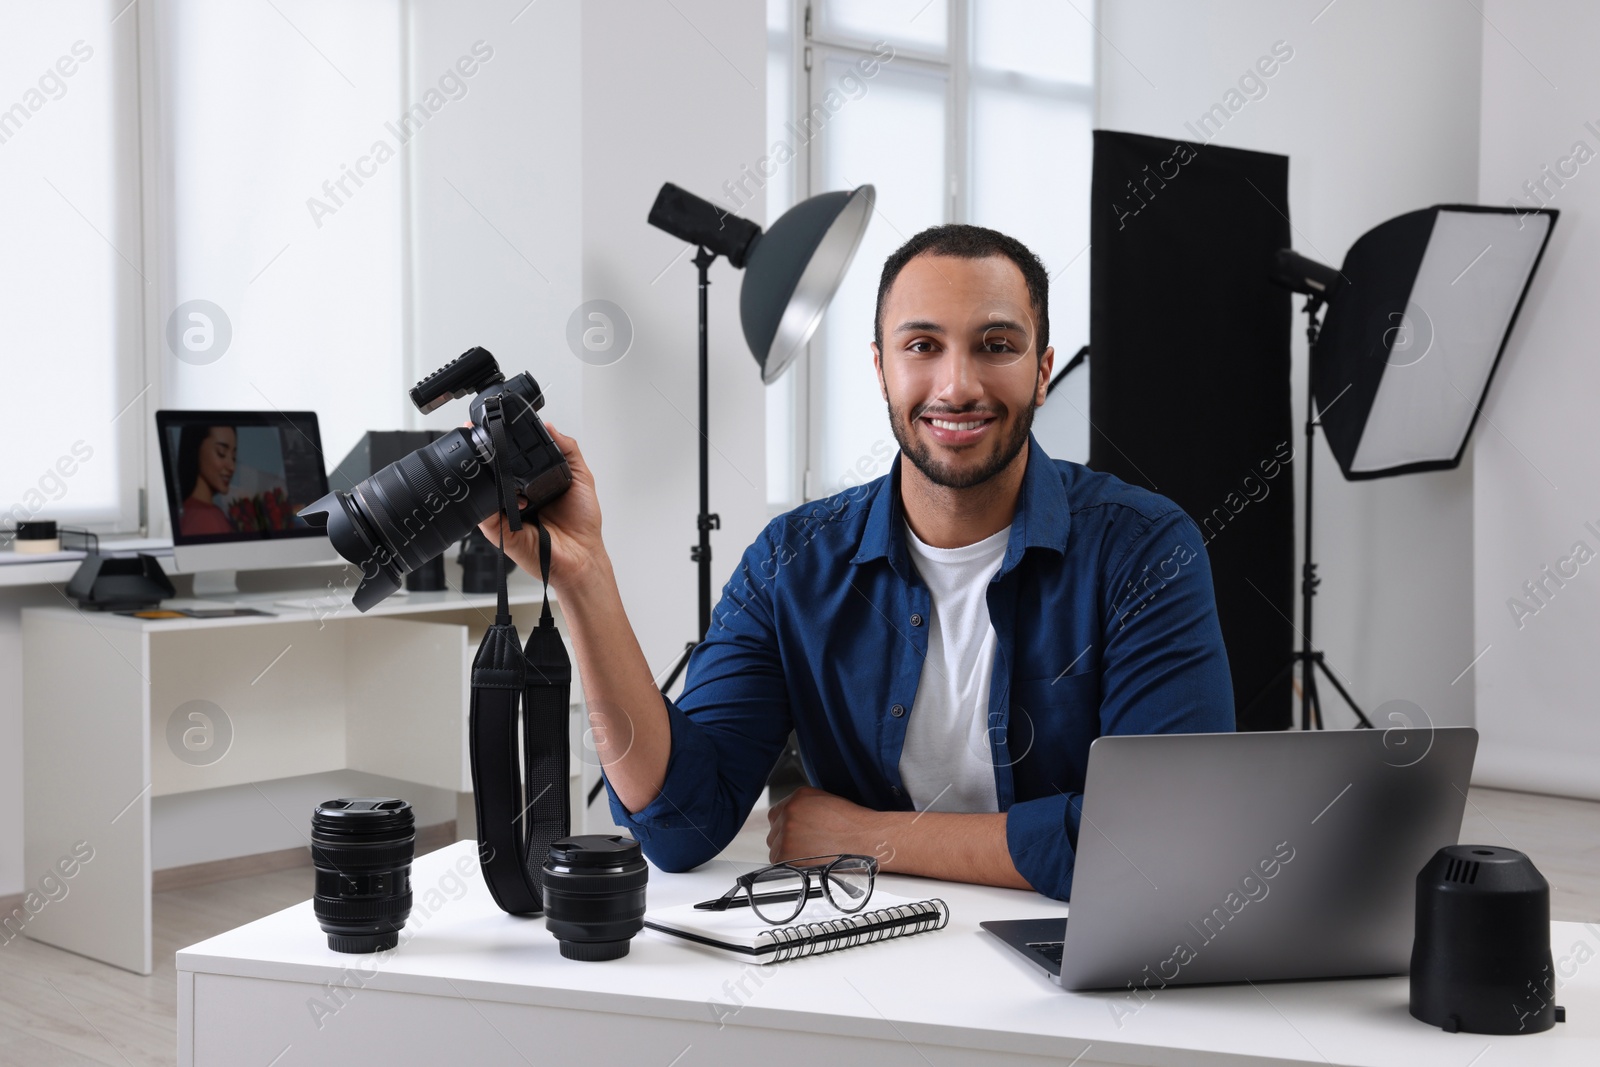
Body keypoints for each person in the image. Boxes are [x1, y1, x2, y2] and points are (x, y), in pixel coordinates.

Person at [482, 225, 1234, 901]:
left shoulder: (1145, 549)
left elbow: (1167, 839)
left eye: (996, 346)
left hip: (1071, 962)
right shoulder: (792, 562)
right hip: (867, 954)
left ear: (1042, 371)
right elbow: (678, 824)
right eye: (922, 346)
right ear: (880, 369)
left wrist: (872, 838)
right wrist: (584, 578)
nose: (957, 385)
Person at [176, 425, 237, 536]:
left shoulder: (188, 511)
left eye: (233, 457)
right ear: (196, 447)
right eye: (221, 453)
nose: (232, 466)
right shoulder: (206, 517)